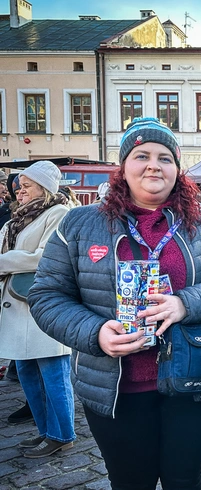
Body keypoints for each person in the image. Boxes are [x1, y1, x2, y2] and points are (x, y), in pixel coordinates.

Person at [28, 117, 201, 488]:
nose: (153, 165)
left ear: (178, 170)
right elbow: (46, 295)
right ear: (123, 167)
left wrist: (185, 303)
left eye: (165, 158)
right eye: (141, 155)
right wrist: (95, 332)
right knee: (131, 481)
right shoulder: (81, 224)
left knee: (184, 478)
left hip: (190, 378)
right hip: (114, 385)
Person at [0, 161, 73, 458]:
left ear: (44, 187)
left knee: (54, 374)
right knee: (29, 375)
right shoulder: (15, 220)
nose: (20, 191)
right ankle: (45, 432)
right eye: (19, 186)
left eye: (27, 186)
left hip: (42, 305)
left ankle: (63, 434)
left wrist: (4, 262)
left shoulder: (59, 213)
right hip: (16, 306)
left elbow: (45, 256)